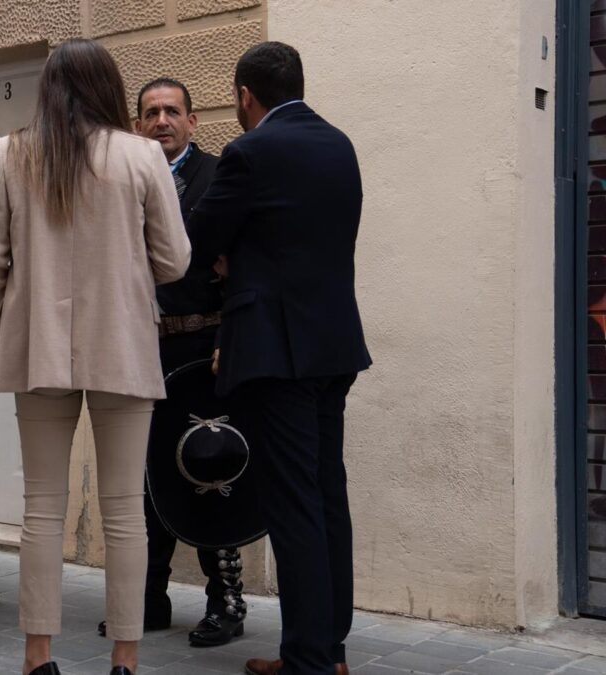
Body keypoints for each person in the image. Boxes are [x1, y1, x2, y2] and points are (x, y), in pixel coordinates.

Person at [0, 39, 191, 675]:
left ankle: (37, 659)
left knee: (42, 507)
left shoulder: (15, 152)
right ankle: (125, 659)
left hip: (38, 346)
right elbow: (175, 259)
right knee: (125, 510)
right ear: (111, 88)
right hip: (122, 344)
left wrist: (8, 321)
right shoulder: (142, 154)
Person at [186, 42, 371, 675]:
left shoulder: (249, 150)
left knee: (293, 505)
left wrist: (228, 254)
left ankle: (308, 661)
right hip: (333, 344)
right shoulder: (339, 143)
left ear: (244, 95)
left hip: (277, 350)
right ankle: (331, 651)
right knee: (326, 496)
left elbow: (198, 240)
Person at [94, 77, 248, 648]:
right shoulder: (123, 179)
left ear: (192, 121)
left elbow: (243, 264)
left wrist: (229, 339)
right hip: (139, 348)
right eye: (151, 112)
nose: (161, 121)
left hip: (204, 348)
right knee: (144, 477)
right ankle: (146, 600)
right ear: (137, 125)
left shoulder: (218, 176)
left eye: (172, 112)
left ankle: (226, 602)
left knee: (211, 470)